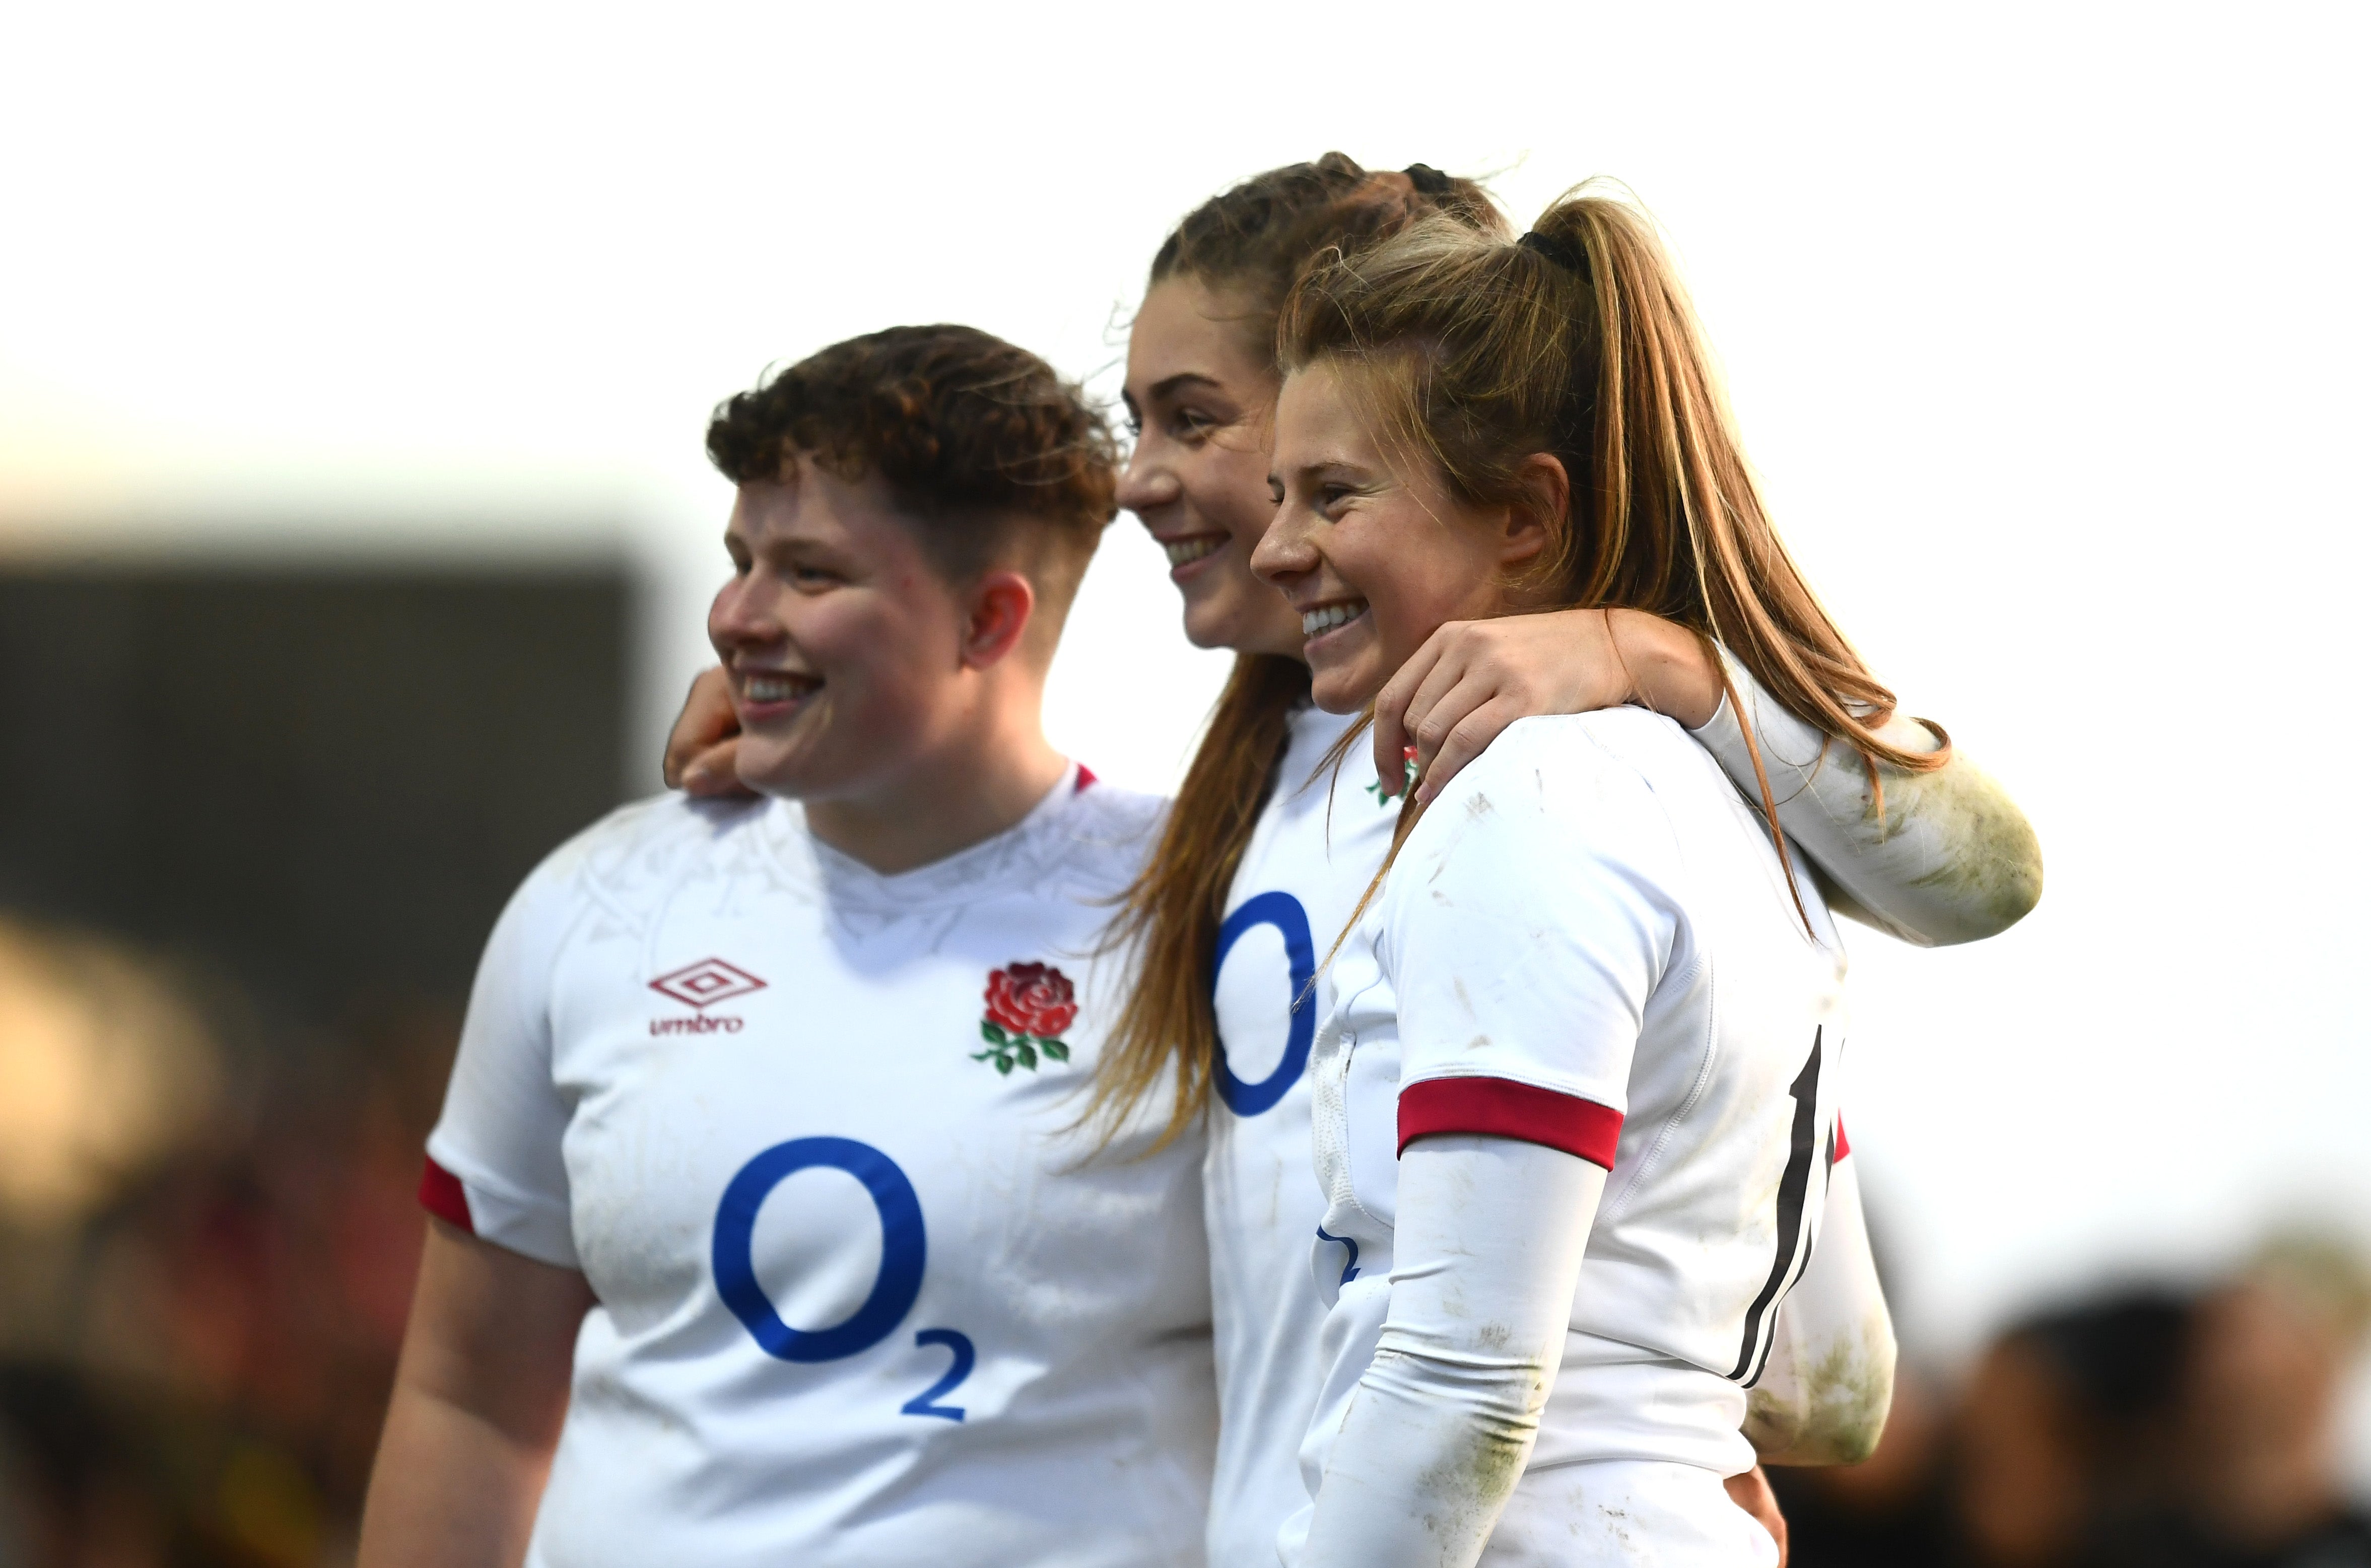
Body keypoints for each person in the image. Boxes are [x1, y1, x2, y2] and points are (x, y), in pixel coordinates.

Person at [668, 157, 2042, 1565]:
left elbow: (1981, 881)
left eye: (1197, 422)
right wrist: (817, 724)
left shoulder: (1544, 784)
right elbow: (1821, 1379)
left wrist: (1663, 657)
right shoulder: (1242, 810)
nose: (1143, 477)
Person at [357, 326, 1216, 1567]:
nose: (735, 617)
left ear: (989, 621)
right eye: (739, 559)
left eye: (808, 574)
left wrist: (1613, 648)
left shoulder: (1198, 909)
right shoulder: (596, 905)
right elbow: (468, 1400)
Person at [1246, 184, 1992, 1567]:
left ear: (1525, 515)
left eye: (1332, 495)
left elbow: (1460, 1389)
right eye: (1279, 493)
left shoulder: (1526, 803)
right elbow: (1831, 1388)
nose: (1275, 546)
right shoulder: (1743, 808)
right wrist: (1669, 1447)